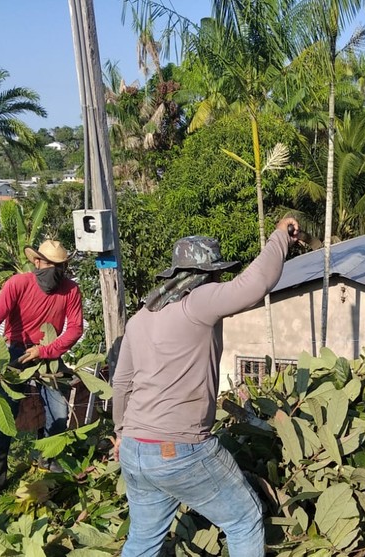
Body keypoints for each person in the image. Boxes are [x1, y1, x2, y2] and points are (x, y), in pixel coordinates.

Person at [113, 217, 299, 557]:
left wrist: (121, 431)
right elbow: (255, 284)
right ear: (207, 274)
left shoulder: (140, 318)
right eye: (216, 274)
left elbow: (122, 381)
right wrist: (280, 236)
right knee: (244, 519)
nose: (219, 280)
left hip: (135, 451)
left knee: (142, 540)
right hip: (179, 449)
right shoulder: (198, 300)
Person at [0, 239, 83, 505]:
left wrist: (46, 350)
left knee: (58, 411)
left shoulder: (70, 290)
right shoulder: (18, 284)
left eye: (62, 267)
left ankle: (46, 458)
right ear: (37, 263)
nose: (57, 272)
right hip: (16, 351)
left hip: (48, 352)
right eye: (52, 266)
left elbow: (75, 329)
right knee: (5, 415)